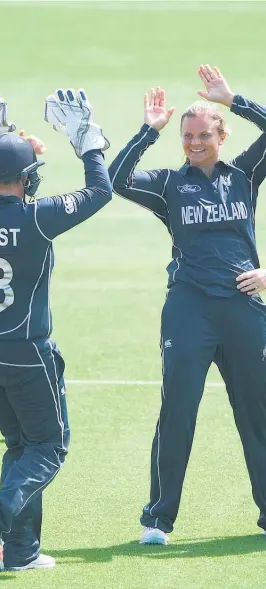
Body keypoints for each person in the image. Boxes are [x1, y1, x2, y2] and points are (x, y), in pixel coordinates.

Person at [0, 87, 112, 571]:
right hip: (24, 352)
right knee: (49, 447)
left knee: (21, 446)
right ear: (27, 178)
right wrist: (87, 140)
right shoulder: (36, 216)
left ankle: (22, 553)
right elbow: (99, 191)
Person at [108, 65, 266, 545]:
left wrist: (232, 99)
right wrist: (148, 131)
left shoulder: (244, 174)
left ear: (221, 135)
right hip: (189, 309)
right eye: (187, 136)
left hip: (244, 307)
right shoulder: (168, 185)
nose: (194, 142)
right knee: (177, 409)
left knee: (257, 412)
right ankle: (157, 519)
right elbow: (118, 178)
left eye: (203, 134)